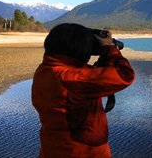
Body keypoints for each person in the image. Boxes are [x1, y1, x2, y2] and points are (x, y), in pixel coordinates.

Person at [32, 23, 135, 158]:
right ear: (79, 49)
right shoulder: (70, 78)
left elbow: (92, 78)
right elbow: (125, 75)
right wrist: (109, 48)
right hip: (80, 152)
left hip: (53, 149)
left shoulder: (46, 69)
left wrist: (105, 55)